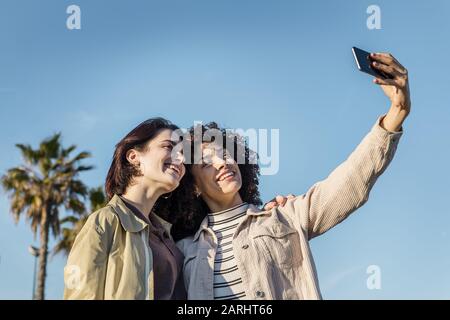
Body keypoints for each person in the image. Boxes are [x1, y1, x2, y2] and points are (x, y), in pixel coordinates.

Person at [171, 52, 410, 299]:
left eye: (225, 153)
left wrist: (397, 112)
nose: (222, 163)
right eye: (206, 163)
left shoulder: (286, 215)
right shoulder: (183, 251)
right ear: (193, 186)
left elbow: (351, 180)